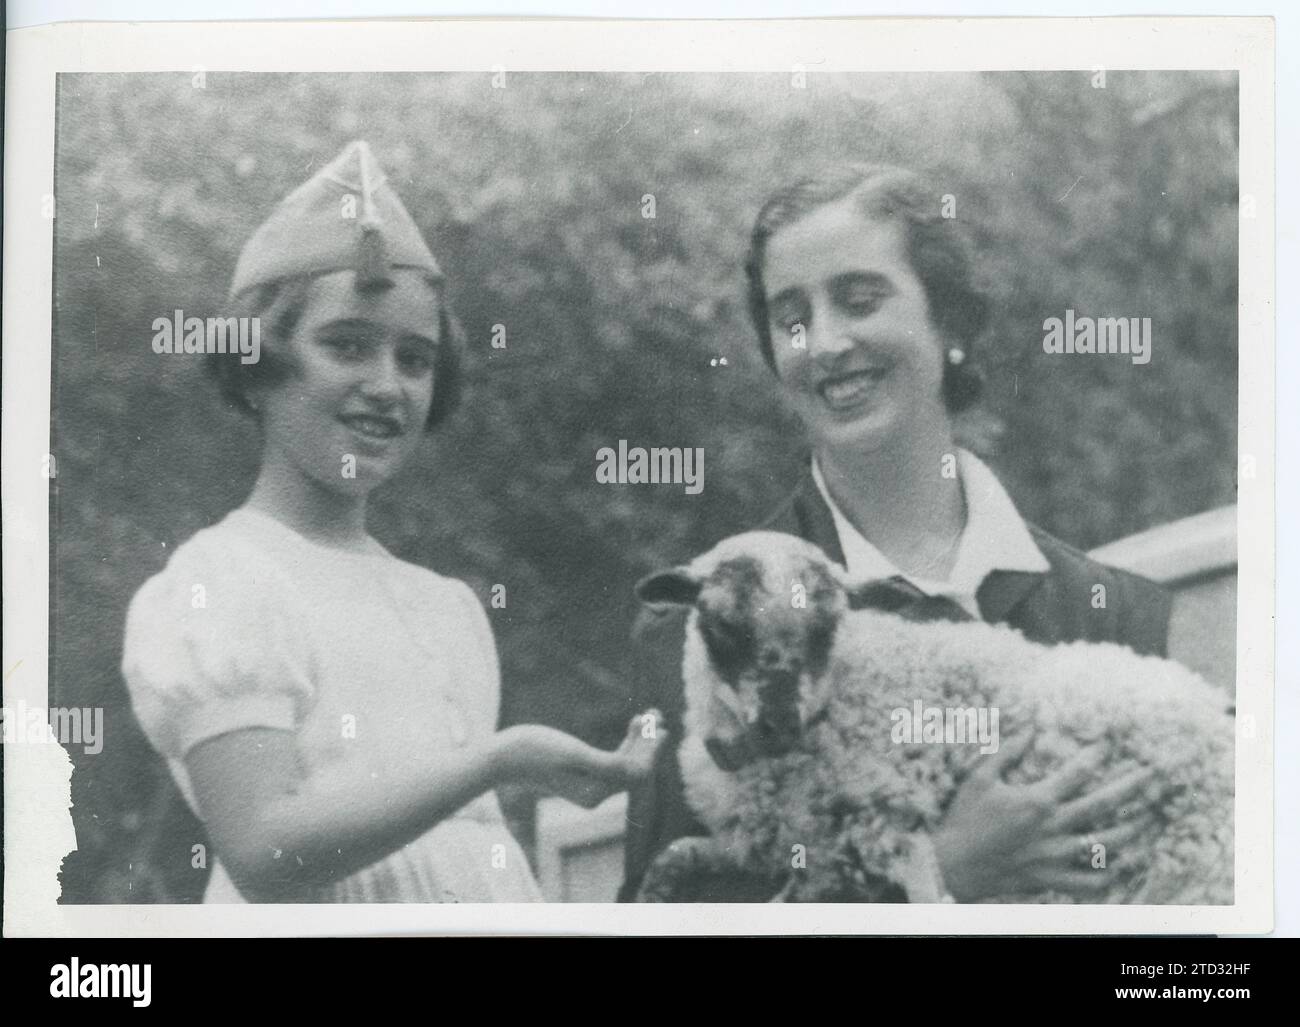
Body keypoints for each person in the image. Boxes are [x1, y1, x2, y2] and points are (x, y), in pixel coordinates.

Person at [123, 141, 660, 903]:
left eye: (414, 359)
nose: (387, 386)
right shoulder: (223, 582)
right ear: (258, 366)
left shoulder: (447, 607)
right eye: (346, 345)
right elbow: (263, 851)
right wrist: (497, 760)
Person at [619, 163, 1170, 903]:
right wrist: (935, 875)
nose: (823, 342)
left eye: (859, 299)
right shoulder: (699, 627)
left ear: (949, 322)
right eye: (791, 317)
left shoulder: (1109, 609)